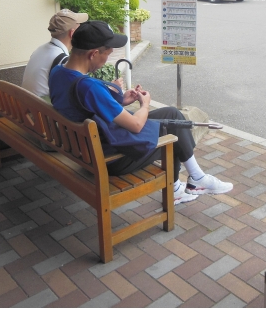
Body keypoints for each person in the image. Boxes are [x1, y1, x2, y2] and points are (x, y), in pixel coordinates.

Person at [49, 20, 233, 204]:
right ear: (93, 53)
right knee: (174, 134)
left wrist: (121, 100)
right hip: (110, 159)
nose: (106, 61)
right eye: (107, 54)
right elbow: (136, 125)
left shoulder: (58, 72)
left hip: (86, 148)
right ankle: (192, 181)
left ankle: (188, 182)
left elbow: (83, 104)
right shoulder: (88, 87)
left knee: (171, 114)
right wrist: (145, 105)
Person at [21, 9, 88, 98]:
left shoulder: (40, 49)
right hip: (42, 106)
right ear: (72, 33)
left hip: (26, 104)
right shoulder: (62, 60)